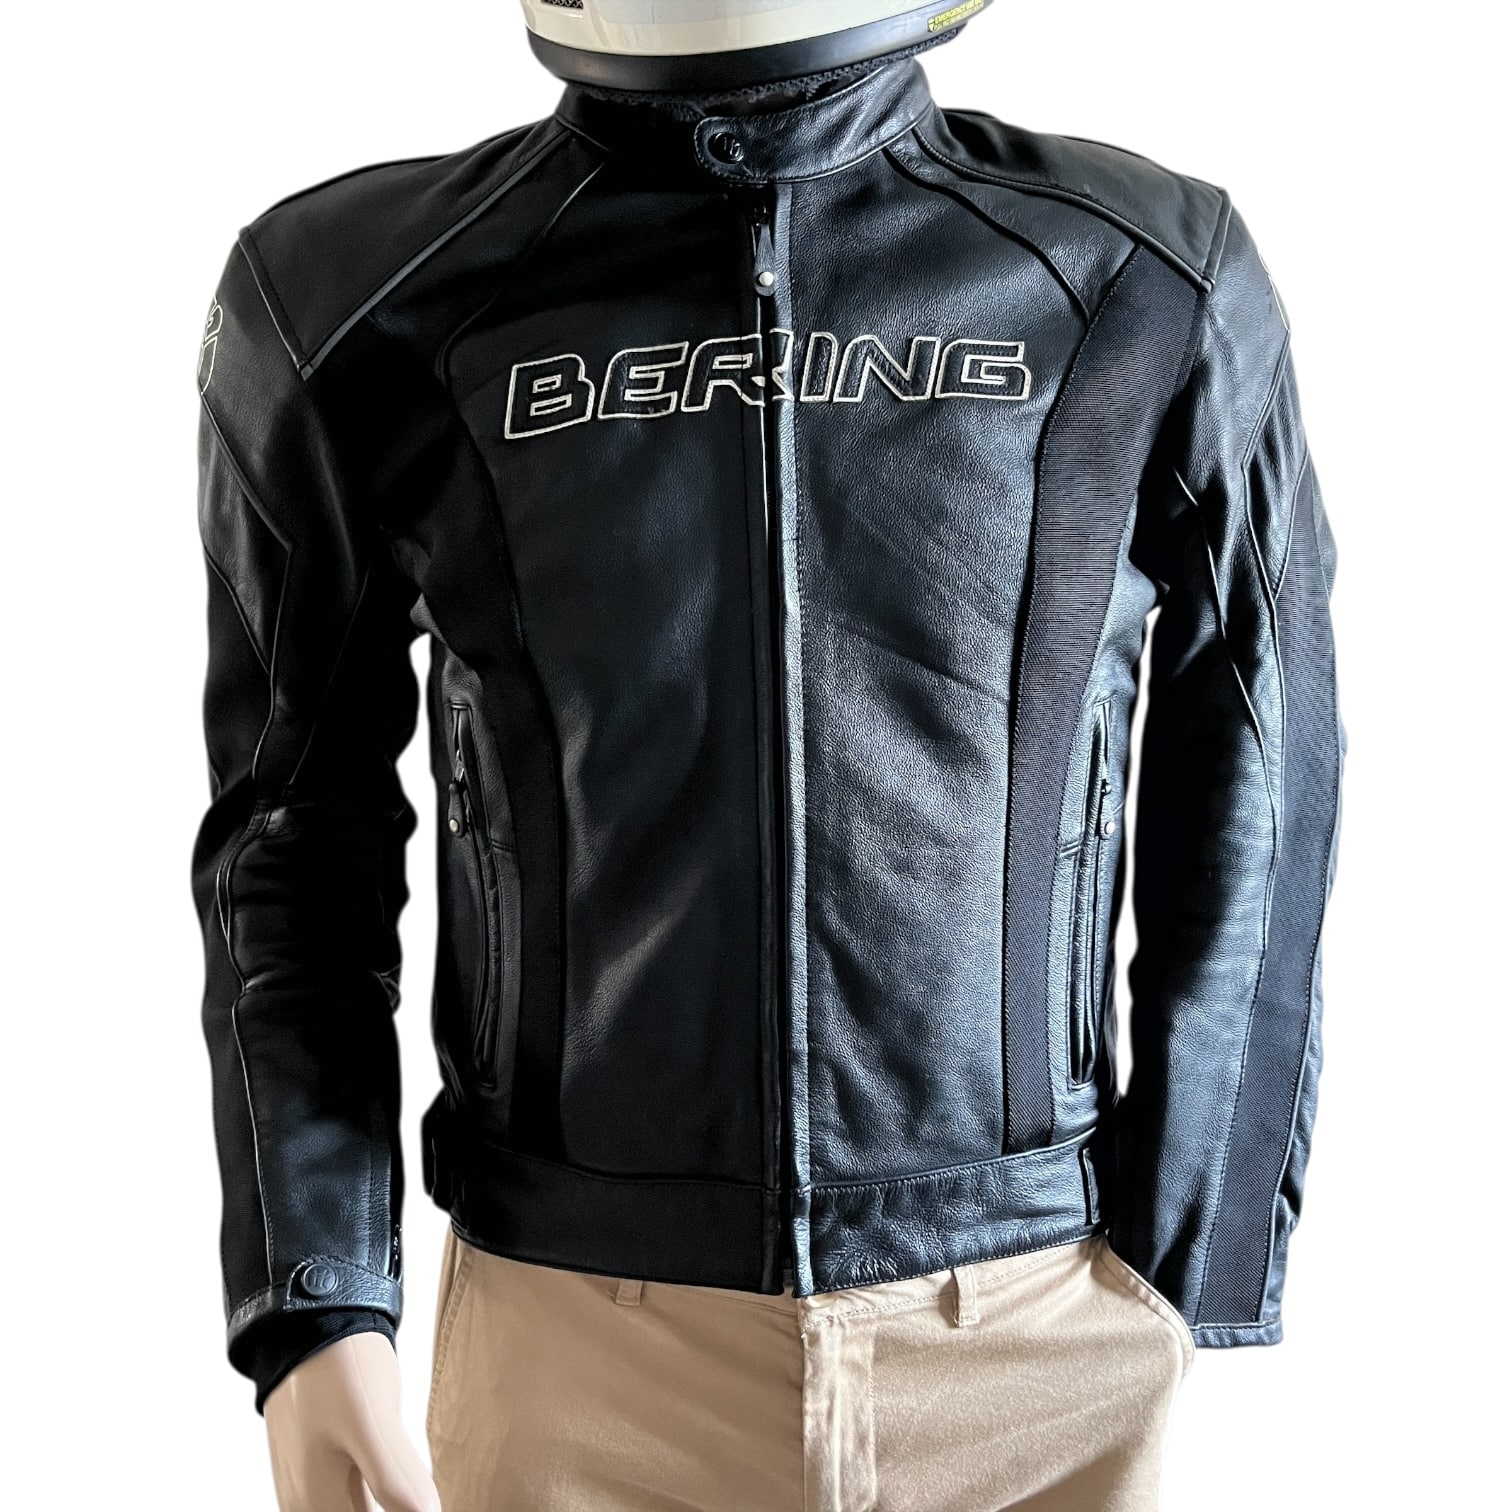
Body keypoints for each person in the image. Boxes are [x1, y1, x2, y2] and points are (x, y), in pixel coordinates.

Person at [189, 2, 1344, 1507]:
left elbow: (1261, 753)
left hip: (1037, 1335)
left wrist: (1196, 1245)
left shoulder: (1137, 275)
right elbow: (292, 836)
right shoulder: (359, 295)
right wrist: (316, 1294)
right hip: (573, 1348)